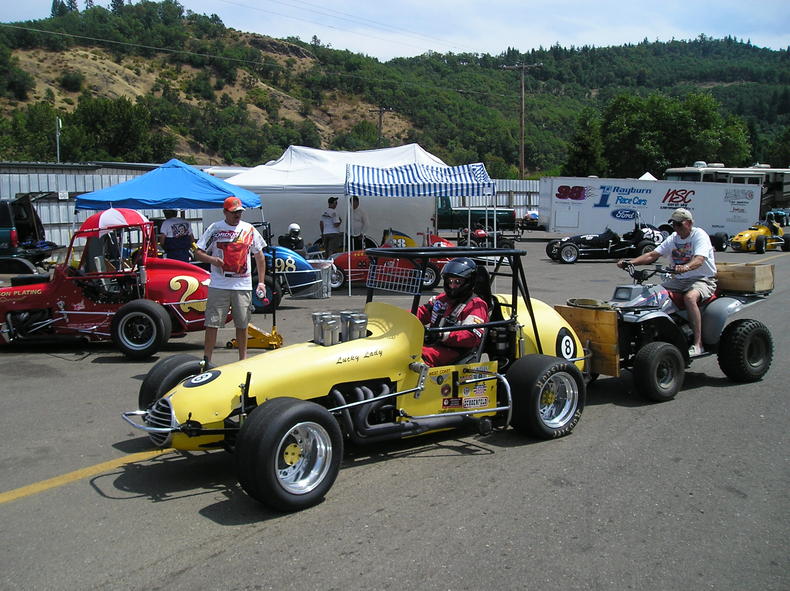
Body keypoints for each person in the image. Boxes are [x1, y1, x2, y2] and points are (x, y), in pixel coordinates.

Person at [616, 207, 716, 357]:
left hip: (702, 279)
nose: (675, 228)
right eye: (673, 225)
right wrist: (630, 263)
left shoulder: (699, 235)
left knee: (690, 297)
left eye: (678, 224)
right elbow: (652, 255)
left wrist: (686, 267)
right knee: (653, 295)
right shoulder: (674, 238)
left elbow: (699, 260)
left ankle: (698, 343)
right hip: (679, 280)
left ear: (688, 223)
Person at [194, 196, 267, 362]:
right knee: (212, 323)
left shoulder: (249, 229)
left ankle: (243, 360)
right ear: (225, 212)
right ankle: (207, 361)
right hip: (219, 285)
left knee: (242, 324)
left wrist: (261, 282)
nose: (238, 215)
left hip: (243, 285)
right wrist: (213, 260)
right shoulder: (216, 228)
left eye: (240, 212)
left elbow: (260, 256)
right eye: (234, 212)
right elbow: (198, 252)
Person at [416, 257, 490, 366]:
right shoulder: (442, 299)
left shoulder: (476, 305)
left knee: (414, 356)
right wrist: (400, 318)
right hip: (434, 344)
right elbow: (420, 313)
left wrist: (442, 335)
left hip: (455, 351)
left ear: (469, 282)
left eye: (457, 282)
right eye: (450, 281)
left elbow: (471, 337)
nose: (452, 286)